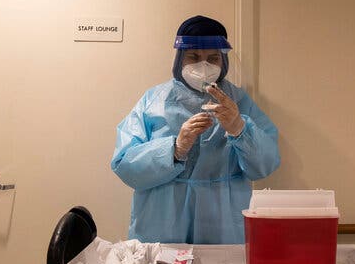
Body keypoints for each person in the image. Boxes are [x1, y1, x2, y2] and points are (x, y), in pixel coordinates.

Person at [111, 15, 280, 244]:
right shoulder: (154, 101)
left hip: (223, 223)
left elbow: (266, 164)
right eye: (194, 57)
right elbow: (125, 164)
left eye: (213, 58)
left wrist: (240, 129)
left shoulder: (239, 102)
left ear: (224, 62)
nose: (204, 65)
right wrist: (174, 149)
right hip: (162, 221)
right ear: (180, 59)